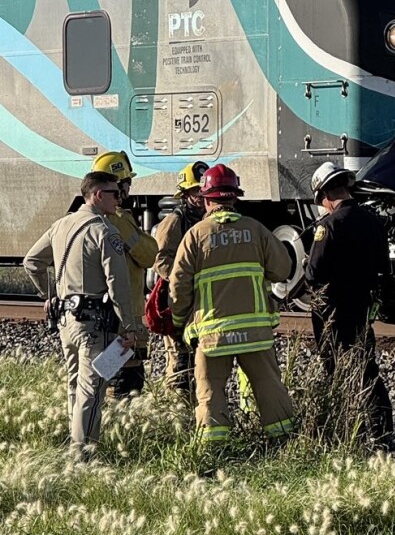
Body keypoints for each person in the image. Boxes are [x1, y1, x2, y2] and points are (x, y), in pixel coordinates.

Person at [168, 164, 296, 443]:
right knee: (268, 386)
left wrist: (179, 322)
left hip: (213, 336)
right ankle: (283, 442)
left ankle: (214, 448)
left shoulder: (195, 236)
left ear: (206, 198)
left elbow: (178, 288)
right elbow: (283, 269)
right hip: (255, 334)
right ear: (235, 197)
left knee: (210, 390)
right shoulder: (257, 230)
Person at [23, 172, 144, 457]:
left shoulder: (60, 225)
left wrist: (48, 296)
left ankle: (75, 449)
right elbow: (118, 283)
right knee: (92, 391)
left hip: (67, 321)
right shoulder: (105, 231)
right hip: (96, 324)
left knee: (75, 387)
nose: (120, 198)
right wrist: (129, 328)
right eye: (115, 193)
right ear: (98, 195)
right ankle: (83, 456)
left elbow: (31, 262)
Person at [304, 162, 394, 444]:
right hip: (361, 309)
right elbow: (384, 271)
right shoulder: (374, 222)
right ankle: (382, 431)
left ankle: (348, 431)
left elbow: (313, 273)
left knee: (336, 369)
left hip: (333, 311)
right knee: (367, 367)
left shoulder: (328, 227)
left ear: (326, 196)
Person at [90, 151, 159, 396]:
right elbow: (149, 254)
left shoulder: (94, 220)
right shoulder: (119, 220)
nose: (130, 188)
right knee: (126, 383)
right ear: (119, 186)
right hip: (124, 319)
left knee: (112, 381)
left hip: (109, 317)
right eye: (127, 182)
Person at [151, 161, 208, 393]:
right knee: (179, 364)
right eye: (196, 191)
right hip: (177, 301)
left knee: (198, 362)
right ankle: (175, 409)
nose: (201, 196)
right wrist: (183, 280)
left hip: (199, 302)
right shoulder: (175, 222)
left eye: (203, 190)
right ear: (185, 194)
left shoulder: (206, 220)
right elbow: (160, 260)